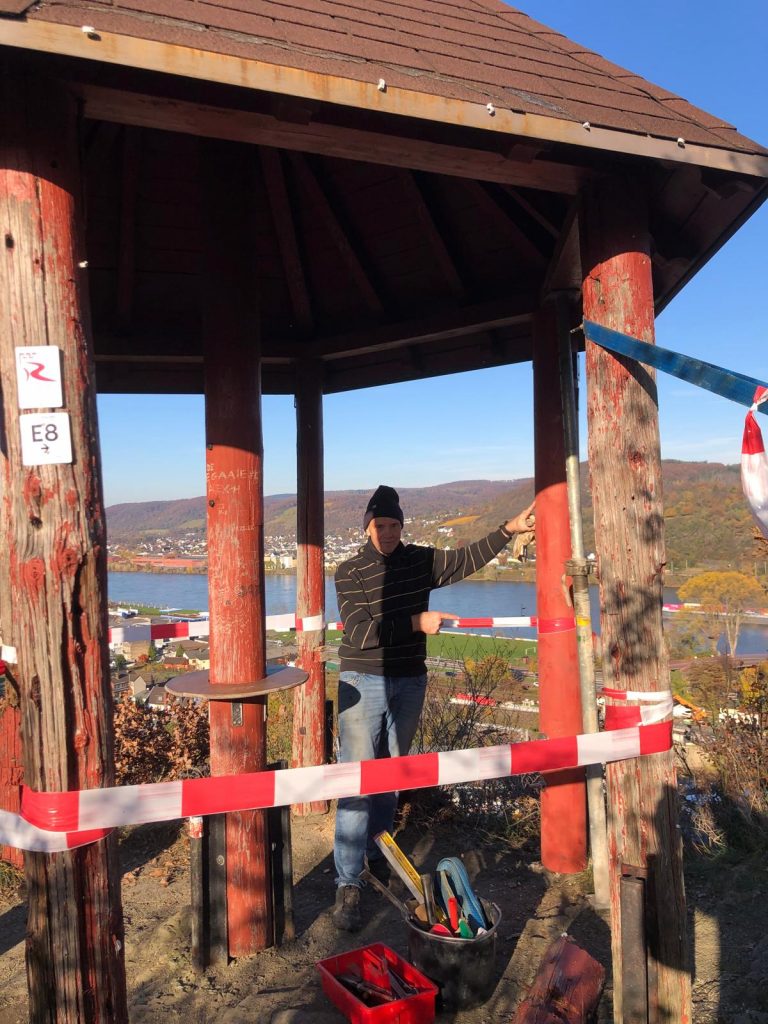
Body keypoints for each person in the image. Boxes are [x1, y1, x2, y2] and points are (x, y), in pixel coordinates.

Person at [331, 484, 535, 931]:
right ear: (366, 528)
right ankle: (348, 882)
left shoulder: (419, 560)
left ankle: (376, 853)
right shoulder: (349, 571)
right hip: (363, 680)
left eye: (393, 525)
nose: (386, 532)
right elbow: (359, 633)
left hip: (409, 680)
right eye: (379, 525)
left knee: (390, 776)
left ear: (402, 526)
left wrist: (508, 530)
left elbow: (464, 559)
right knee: (357, 780)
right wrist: (416, 622)